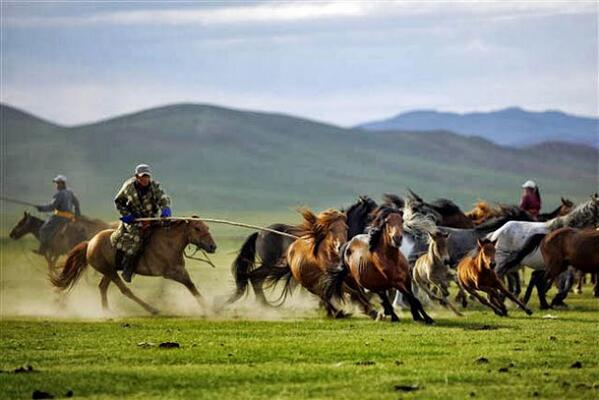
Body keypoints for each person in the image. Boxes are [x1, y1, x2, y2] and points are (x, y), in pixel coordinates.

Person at [111, 164, 171, 283]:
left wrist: (165, 209)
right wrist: (127, 215)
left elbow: (163, 198)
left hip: (151, 218)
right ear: (137, 177)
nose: (145, 179)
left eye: (147, 176)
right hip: (135, 220)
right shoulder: (128, 187)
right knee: (136, 240)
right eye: (143, 176)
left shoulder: (154, 186)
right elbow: (118, 202)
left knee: (166, 232)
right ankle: (127, 269)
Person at [34, 175, 81, 255]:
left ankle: (43, 249)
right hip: (69, 217)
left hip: (59, 217)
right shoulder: (70, 192)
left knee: (43, 230)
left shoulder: (59, 194)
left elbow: (52, 207)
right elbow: (76, 203)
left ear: (62, 184)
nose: (56, 186)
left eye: (58, 183)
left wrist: (41, 208)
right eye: (56, 184)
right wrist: (77, 215)